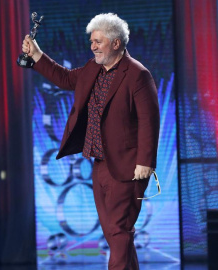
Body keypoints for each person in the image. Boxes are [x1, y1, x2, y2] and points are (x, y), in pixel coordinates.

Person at [22, 13, 160, 270]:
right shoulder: (92, 69)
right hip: (99, 165)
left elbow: (149, 120)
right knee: (115, 235)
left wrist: (145, 162)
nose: (92, 46)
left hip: (129, 166)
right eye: (91, 41)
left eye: (98, 41)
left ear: (116, 44)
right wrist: (37, 55)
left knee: (119, 231)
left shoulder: (138, 75)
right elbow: (64, 78)